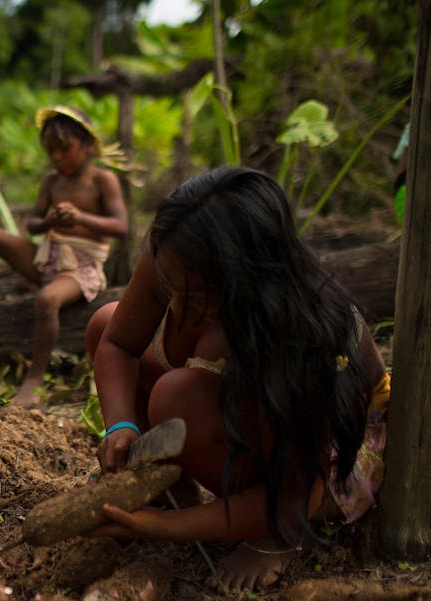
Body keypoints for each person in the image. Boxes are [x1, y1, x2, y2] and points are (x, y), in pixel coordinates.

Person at [83, 167, 390, 593]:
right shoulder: (177, 254)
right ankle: (178, 491)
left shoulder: (298, 337)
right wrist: (122, 426)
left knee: (178, 397)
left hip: (325, 464)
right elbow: (115, 343)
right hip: (247, 409)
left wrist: (165, 528)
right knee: (105, 321)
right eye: (171, 287)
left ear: (248, 280)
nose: (175, 303)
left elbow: (298, 496)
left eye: (197, 296)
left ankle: (275, 540)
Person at [0, 106, 127, 409]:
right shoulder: (52, 182)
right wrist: (48, 223)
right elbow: (33, 224)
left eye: (64, 149)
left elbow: (120, 226)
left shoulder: (102, 180)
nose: (56, 158)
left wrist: (81, 218)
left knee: (47, 299)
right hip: (48, 257)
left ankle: (33, 380)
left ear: (86, 145)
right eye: (50, 152)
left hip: (80, 268)